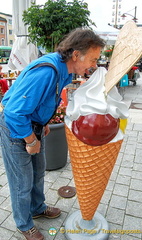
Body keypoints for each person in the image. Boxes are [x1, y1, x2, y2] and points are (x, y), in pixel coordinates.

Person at [0, 28, 105, 240]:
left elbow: (49, 97)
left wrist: (44, 122)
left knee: (38, 173)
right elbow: (13, 112)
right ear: (76, 55)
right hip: (17, 129)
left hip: (35, 125)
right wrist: (30, 139)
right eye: (93, 59)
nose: (94, 65)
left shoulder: (65, 70)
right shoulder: (47, 71)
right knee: (22, 182)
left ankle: (37, 207)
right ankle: (23, 223)